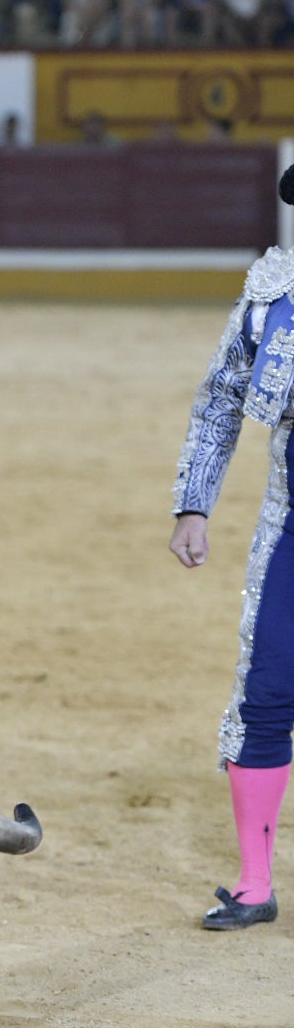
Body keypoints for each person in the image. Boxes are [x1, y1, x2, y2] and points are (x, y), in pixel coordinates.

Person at [168, 164, 294, 930]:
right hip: (292, 525)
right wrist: (192, 505)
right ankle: (254, 882)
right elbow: (219, 401)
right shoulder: (271, 296)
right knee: (266, 691)